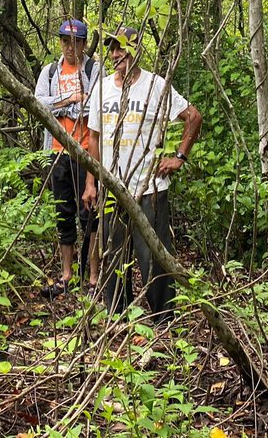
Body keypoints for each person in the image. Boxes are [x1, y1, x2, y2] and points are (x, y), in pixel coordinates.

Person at [82, 26, 201, 320]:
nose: (115, 53)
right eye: (111, 48)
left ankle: (163, 319)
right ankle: (117, 315)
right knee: (113, 256)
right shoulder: (103, 89)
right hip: (112, 188)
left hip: (149, 188)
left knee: (153, 258)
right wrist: (90, 182)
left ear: (136, 49)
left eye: (122, 47)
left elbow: (193, 117)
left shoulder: (155, 86)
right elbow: (93, 138)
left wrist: (179, 157)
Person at [34, 18, 102, 297]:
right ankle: (66, 275)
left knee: (91, 214)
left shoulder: (93, 69)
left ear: (84, 44)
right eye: (64, 41)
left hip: (86, 152)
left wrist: (74, 104)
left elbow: (97, 104)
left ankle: (94, 277)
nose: (69, 47)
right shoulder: (50, 72)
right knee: (64, 215)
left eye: (75, 42)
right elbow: (39, 102)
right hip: (58, 152)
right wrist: (68, 101)